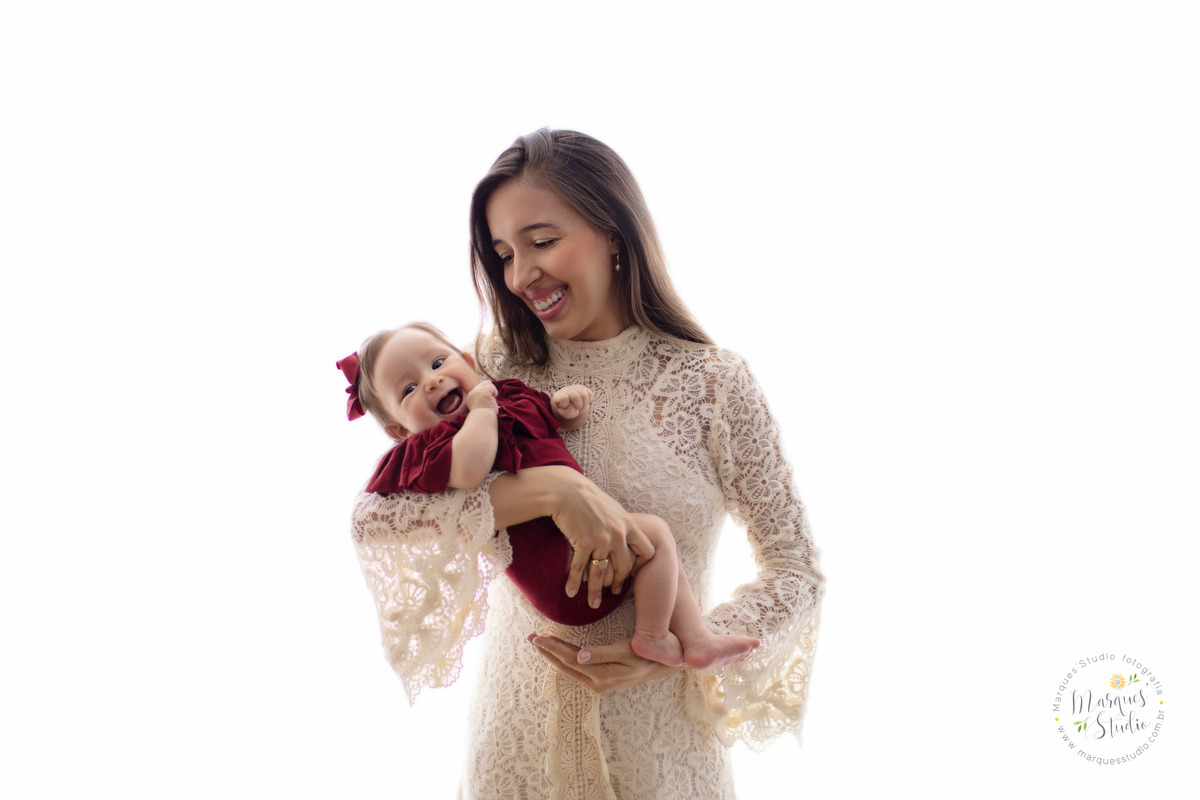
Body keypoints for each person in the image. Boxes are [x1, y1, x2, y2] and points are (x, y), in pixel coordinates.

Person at [352, 129, 824, 799]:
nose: (520, 276)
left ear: (612, 229)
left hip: (662, 762)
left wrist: (675, 651)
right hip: (515, 755)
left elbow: (796, 569)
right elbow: (384, 519)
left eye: (541, 242)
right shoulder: (485, 368)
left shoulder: (714, 384)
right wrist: (550, 491)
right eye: (504, 254)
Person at [339, 321, 761, 668]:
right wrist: (486, 413)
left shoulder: (508, 396)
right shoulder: (436, 447)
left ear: (467, 362)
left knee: (653, 544)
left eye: (437, 362)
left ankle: (691, 638)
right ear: (398, 431)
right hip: (555, 572)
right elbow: (471, 469)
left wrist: (566, 407)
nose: (431, 381)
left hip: (591, 559)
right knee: (655, 537)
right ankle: (658, 637)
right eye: (408, 389)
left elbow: (553, 426)